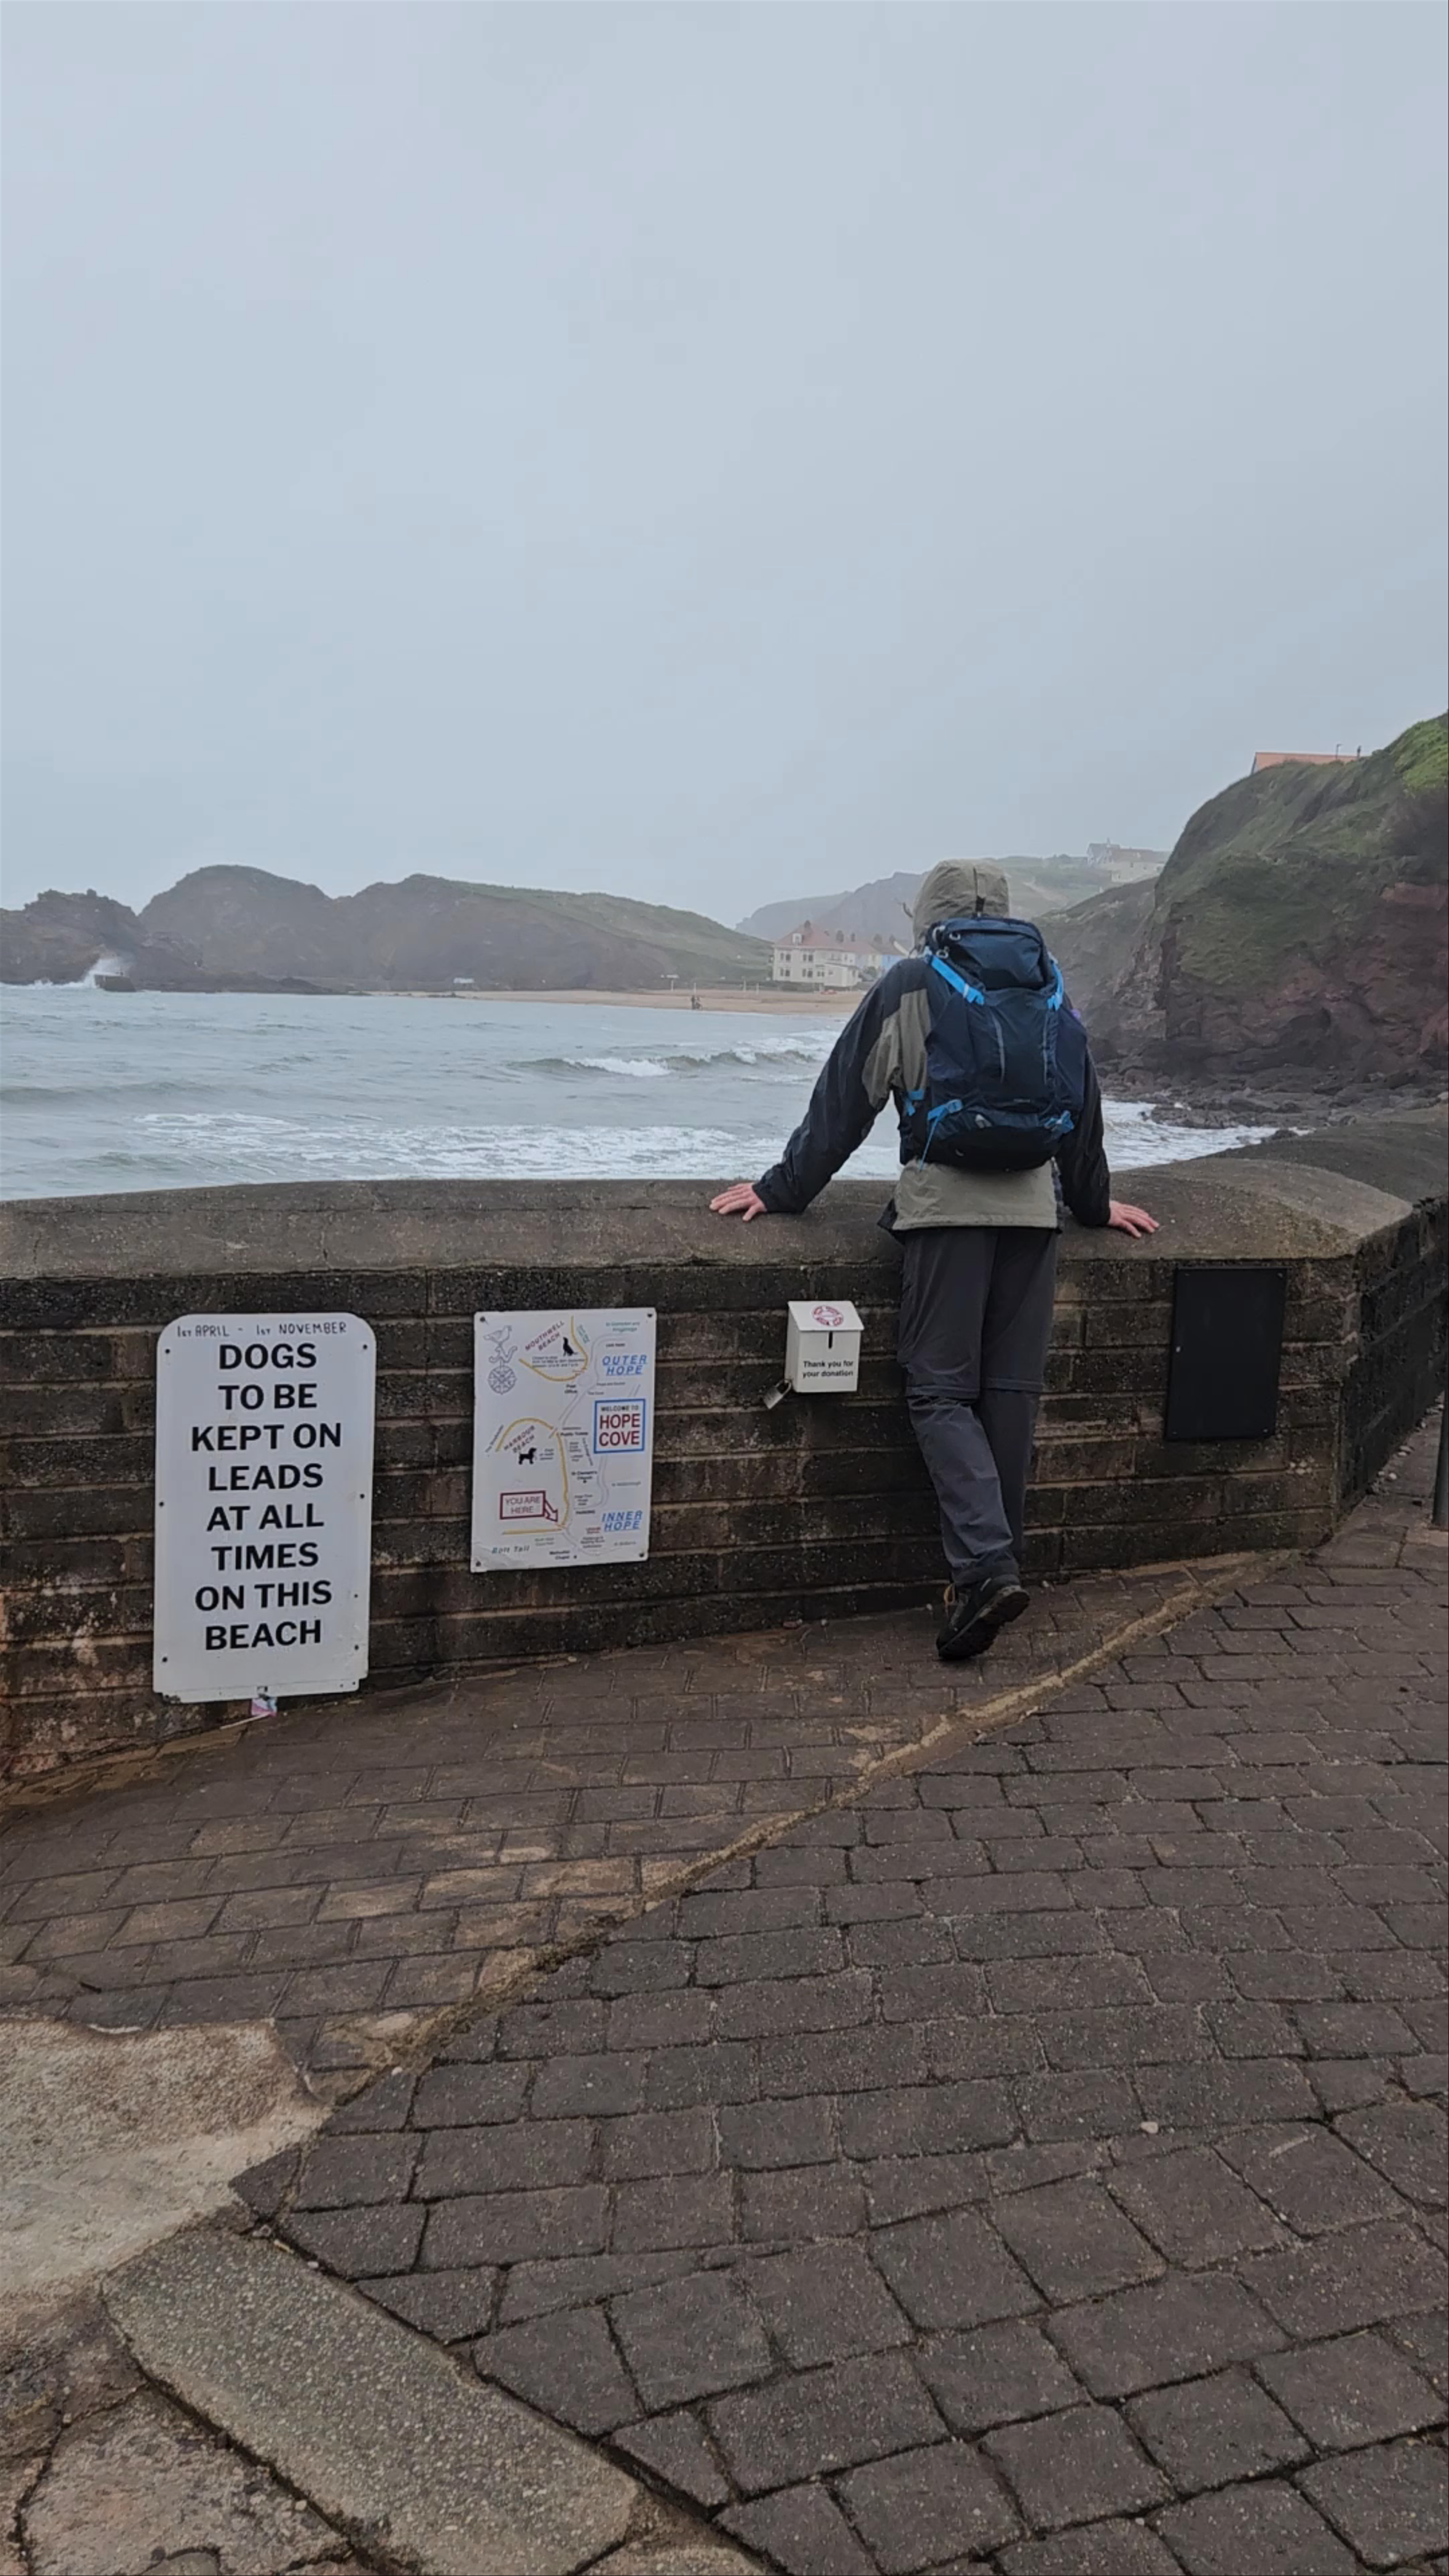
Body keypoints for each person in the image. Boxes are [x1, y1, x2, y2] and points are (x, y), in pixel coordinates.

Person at [711, 860, 1158, 1661]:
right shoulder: (1049, 984)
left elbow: (848, 1096)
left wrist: (781, 1191)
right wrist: (1093, 1206)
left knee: (939, 1392)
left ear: (932, 917)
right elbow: (1082, 1107)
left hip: (945, 1215)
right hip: (1034, 1217)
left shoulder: (915, 980)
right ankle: (991, 1574)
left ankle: (985, 1570)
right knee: (1010, 1396)